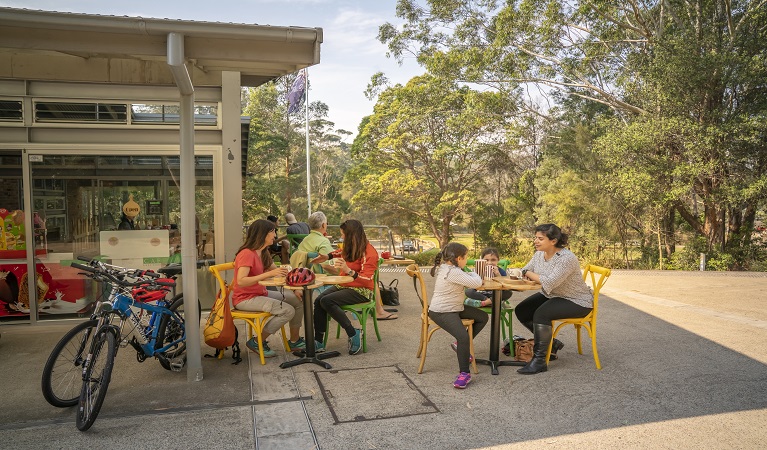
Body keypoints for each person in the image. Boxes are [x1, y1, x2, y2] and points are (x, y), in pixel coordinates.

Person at [514, 223, 593, 375]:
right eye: (535, 238)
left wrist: (530, 274)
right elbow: (525, 268)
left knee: (541, 314)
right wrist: (531, 274)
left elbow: (548, 281)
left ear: (553, 241)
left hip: (577, 300)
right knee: (522, 310)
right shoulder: (539, 254)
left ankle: (539, 361)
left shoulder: (566, 258)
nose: (536, 241)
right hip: (553, 294)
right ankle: (552, 343)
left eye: (540, 238)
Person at [231, 219, 307, 358]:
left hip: (261, 293)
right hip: (245, 299)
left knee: (298, 300)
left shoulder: (263, 252)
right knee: (287, 310)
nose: (275, 235)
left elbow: (278, 272)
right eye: (273, 231)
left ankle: (295, 341)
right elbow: (241, 281)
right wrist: (268, 274)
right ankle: (257, 341)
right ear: (263, 234)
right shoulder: (247, 253)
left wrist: (295, 286)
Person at [309, 219, 379, 355]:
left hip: (362, 290)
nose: (342, 237)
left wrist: (348, 270)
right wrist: (326, 256)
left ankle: (353, 333)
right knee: (318, 300)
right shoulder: (351, 246)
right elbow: (341, 252)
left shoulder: (370, 253)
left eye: (344, 235)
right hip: (344, 285)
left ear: (352, 235)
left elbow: (367, 280)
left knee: (326, 301)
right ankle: (318, 342)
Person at [428, 242, 487, 389]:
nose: (467, 260)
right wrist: (472, 272)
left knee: (482, 317)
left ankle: (459, 347)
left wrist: (466, 271)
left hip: (454, 307)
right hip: (442, 311)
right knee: (463, 336)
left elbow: (469, 280)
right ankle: (464, 374)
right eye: (466, 257)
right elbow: (476, 283)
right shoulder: (453, 272)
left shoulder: (447, 267)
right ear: (459, 258)